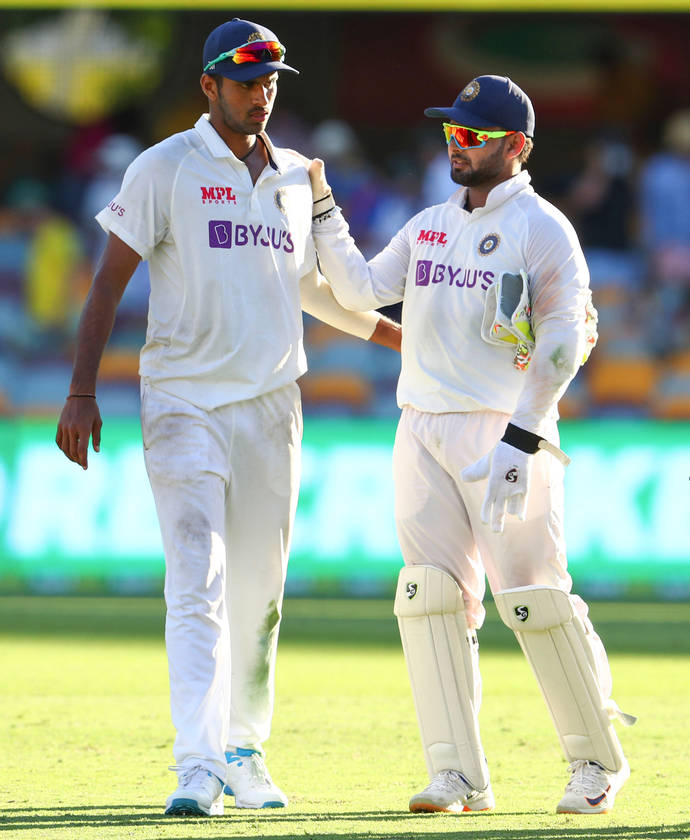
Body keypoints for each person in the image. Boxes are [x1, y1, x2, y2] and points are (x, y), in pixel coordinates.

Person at [55, 18, 400, 818]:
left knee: (261, 590)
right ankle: (197, 764)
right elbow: (108, 283)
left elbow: (310, 290)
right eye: (246, 81)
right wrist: (80, 391)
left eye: (271, 80)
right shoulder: (165, 167)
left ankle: (245, 751)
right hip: (182, 399)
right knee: (197, 581)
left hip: (273, 404)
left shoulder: (292, 177)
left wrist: (402, 340)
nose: (261, 94)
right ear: (208, 86)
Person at [308, 75, 635, 816]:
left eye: (474, 135)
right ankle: (457, 775)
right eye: (451, 132)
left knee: (535, 600)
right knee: (429, 596)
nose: (457, 145)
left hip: (504, 431)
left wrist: (523, 438)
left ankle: (596, 764)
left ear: (516, 146)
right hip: (420, 424)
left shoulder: (544, 227)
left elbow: (563, 339)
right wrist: (323, 212)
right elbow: (359, 290)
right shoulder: (428, 223)